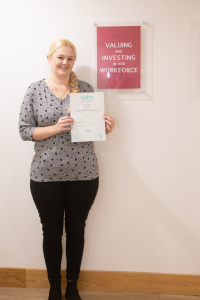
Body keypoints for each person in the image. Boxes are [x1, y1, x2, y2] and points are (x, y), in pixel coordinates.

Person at [19, 39, 115, 300]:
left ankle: (72, 286)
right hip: (45, 176)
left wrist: (105, 127)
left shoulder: (85, 89)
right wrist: (55, 128)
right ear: (49, 58)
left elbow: (92, 128)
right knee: (51, 234)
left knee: (76, 232)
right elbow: (24, 131)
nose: (65, 62)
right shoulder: (34, 90)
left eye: (70, 58)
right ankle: (54, 288)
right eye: (60, 57)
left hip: (84, 176)